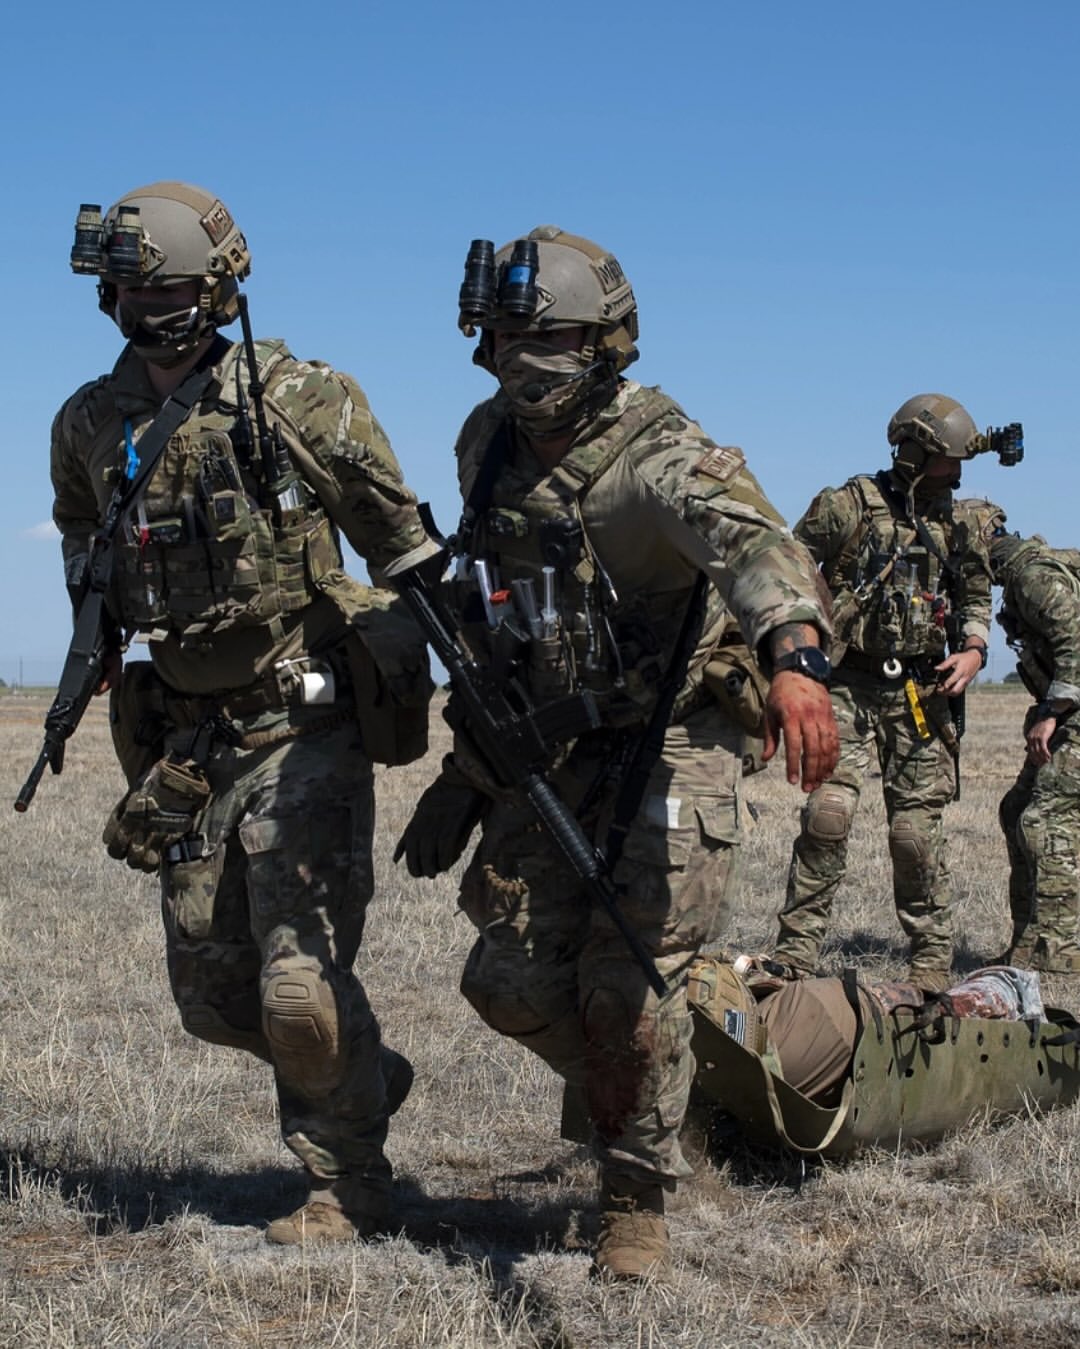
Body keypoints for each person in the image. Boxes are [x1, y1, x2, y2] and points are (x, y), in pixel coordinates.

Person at [395, 226, 838, 1278]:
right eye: (502, 333)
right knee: (504, 978)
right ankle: (644, 1090)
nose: (520, 355)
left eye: (547, 334)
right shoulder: (483, 444)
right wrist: (467, 768)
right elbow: (499, 610)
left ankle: (636, 1195)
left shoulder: (660, 450)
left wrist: (796, 654)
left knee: (630, 982)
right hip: (549, 740)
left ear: (607, 341)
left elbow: (759, 545)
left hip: (671, 732)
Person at [50, 182, 438, 1244]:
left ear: (217, 285)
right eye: (125, 286)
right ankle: (363, 1073)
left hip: (301, 724)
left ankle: (345, 1181)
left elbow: (403, 543)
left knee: (297, 987)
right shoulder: (88, 420)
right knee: (213, 999)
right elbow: (83, 534)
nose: (142, 304)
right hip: (187, 742)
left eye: (162, 284)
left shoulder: (303, 398)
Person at [770, 396, 1000, 991]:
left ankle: (929, 964)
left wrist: (973, 650)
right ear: (917, 452)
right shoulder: (845, 506)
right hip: (847, 682)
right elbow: (789, 567)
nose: (958, 472)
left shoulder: (961, 522)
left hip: (921, 690)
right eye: (949, 460)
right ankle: (794, 956)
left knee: (914, 834)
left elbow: (977, 594)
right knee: (828, 814)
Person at [686, 953, 1080, 1154]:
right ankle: (1002, 992)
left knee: (935, 1012)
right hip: (826, 1031)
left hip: (822, 1034)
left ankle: (1003, 993)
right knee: (936, 1011)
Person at [989, 520, 1080, 972]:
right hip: (1064, 712)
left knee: (1048, 820)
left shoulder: (1034, 578)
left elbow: (1074, 644)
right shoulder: (1020, 581)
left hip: (1071, 714)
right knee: (1015, 811)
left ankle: (1061, 950)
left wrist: (1049, 714)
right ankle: (1026, 945)